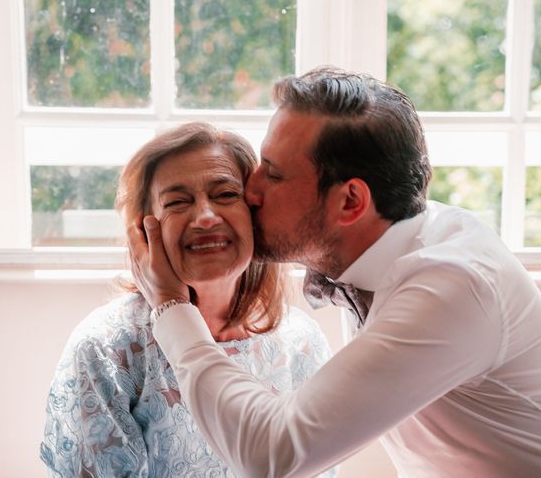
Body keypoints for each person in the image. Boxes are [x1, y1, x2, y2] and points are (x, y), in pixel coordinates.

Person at [128, 68, 541, 478]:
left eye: (272, 174)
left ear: (350, 202)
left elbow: (271, 456)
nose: (249, 189)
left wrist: (171, 306)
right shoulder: (375, 250)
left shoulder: (452, 285)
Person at [40, 123, 335, 478]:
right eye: (177, 202)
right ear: (143, 232)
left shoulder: (300, 341)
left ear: (256, 215)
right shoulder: (106, 350)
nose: (206, 217)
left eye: (226, 194)